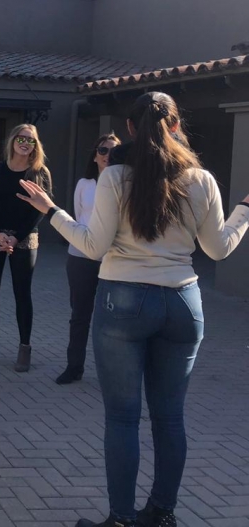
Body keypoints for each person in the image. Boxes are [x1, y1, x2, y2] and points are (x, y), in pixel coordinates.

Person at [18, 92, 249, 527]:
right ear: (176, 125)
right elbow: (218, 249)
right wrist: (245, 210)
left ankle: (121, 519)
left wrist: (52, 211)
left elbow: (92, 246)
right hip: (183, 302)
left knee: (123, 417)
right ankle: (162, 514)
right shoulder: (201, 179)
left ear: (129, 129)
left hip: (123, 300)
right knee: (170, 417)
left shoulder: (115, 177)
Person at [0, 123, 52, 372]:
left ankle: (24, 348)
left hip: (25, 239)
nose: (25, 143)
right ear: (12, 141)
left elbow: (41, 211)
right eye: (21, 138)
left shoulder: (39, 173)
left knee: (22, 293)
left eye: (30, 140)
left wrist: (16, 238)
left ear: (36, 145)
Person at [56, 132, 121, 385]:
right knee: (80, 315)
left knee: (112, 320)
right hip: (81, 257)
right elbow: (78, 216)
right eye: (102, 150)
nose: (107, 155)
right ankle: (74, 367)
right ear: (95, 156)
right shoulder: (84, 184)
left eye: (113, 151)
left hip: (113, 260)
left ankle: (112, 374)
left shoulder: (125, 183)